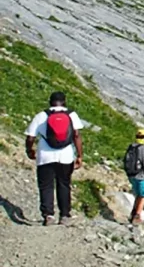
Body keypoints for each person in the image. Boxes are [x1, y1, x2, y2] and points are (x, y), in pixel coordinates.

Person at [24, 92, 84, 226]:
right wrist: (80, 155)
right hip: (66, 155)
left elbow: (30, 137)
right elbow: (76, 135)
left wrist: (29, 150)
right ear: (64, 101)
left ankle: (48, 216)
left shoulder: (41, 116)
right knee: (64, 184)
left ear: (50, 101)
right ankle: (64, 215)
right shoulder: (71, 115)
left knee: (46, 185)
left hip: (45, 156)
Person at [123, 128, 144, 225]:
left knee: (138, 195)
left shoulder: (132, 146)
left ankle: (133, 214)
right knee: (143, 196)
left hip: (132, 175)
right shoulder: (143, 148)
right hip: (141, 176)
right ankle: (137, 216)